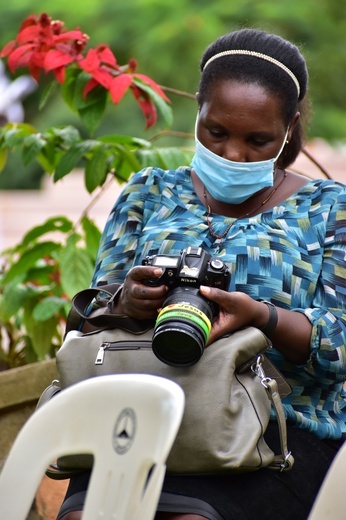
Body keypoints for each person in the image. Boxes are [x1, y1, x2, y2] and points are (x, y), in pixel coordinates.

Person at [57, 27, 346, 520]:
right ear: (198, 111)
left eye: (259, 140)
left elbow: (340, 344)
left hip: (275, 433)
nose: (234, 154)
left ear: (291, 126)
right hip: (136, 418)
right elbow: (84, 326)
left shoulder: (329, 209)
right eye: (217, 132)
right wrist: (125, 304)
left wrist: (264, 319)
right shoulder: (149, 193)